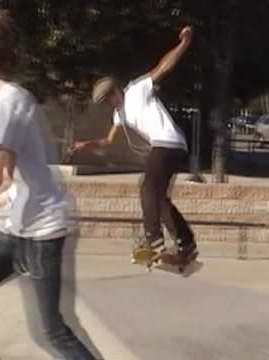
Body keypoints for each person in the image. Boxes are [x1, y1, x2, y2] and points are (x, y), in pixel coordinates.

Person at [0, 7, 96, 359]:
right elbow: (5, 178)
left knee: (52, 332)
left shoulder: (6, 102)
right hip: (13, 229)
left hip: (40, 232)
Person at [72, 26, 197, 264]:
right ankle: (186, 244)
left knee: (146, 188)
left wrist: (184, 43)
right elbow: (109, 141)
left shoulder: (137, 90)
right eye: (106, 102)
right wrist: (86, 145)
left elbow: (163, 67)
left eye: (111, 97)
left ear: (117, 90)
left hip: (167, 143)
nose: (111, 103)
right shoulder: (119, 114)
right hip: (168, 147)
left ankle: (154, 242)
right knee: (159, 198)